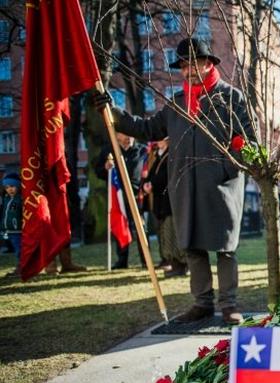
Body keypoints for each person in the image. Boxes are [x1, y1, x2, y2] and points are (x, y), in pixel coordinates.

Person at [93, 38, 257, 325]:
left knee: (225, 247)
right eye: (183, 65)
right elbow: (148, 129)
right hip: (184, 186)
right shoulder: (177, 103)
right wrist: (114, 113)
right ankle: (202, 303)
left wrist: (226, 167)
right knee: (193, 246)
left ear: (208, 63)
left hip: (222, 185)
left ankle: (229, 304)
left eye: (194, 62)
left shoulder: (231, 98)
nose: (189, 69)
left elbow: (248, 141)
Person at [94, 132, 148, 270]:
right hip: (118, 197)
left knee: (140, 229)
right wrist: (105, 168)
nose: (128, 141)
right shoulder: (108, 150)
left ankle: (145, 260)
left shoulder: (142, 150)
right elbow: (98, 171)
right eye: (124, 139)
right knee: (121, 226)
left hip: (137, 197)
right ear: (117, 137)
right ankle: (122, 261)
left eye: (130, 138)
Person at [142, 139, 188, 277]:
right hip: (160, 202)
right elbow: (152, 174)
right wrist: (147, 183)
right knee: (165, 234)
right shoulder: (159, 155)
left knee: (172, 233)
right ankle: (172, 262)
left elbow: (166, 176)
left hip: (170, 202)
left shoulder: (171, 155)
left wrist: (152, 184)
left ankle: (180, 264)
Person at [1, 172, 22, 277]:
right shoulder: (6, 199)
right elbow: (4, 214)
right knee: (15, 249)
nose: (10, 189)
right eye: (7, 187)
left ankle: (22, 267)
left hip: (18, 230)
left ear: (18, 185)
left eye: (12, 186)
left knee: (19, 250)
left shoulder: (20, 199)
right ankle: (21, 266)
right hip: (9, 230)